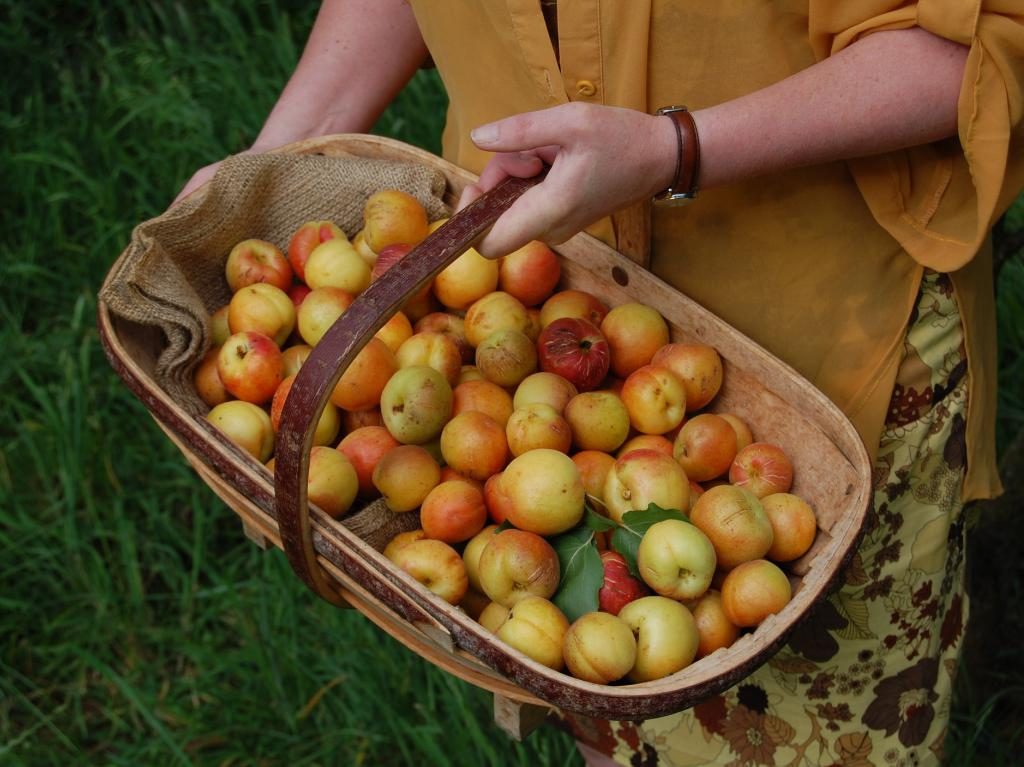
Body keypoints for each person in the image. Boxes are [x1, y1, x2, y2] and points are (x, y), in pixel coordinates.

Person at [177, 2, 1023, 764]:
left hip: (814, 351)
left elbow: (978, 43)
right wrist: (267, 169)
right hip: (522, 301)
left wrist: (672, 148)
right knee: (609, 707)